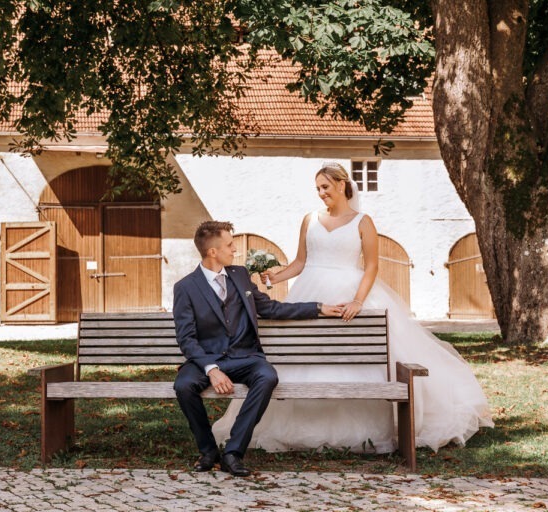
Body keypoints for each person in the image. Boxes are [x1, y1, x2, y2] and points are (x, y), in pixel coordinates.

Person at [213, 162, 494, 455]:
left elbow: (372, 266)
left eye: (326, 187)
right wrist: (276, 275)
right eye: (318, 188)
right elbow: (300, 262)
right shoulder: (310, 219)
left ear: (342, 184)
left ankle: (368, 429)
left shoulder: (363, 221)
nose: (321, 193)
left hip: (351, 291)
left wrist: (358, 300)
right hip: (310, 291)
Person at [173, 220, 342, 476]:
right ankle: (208, 451)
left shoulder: (240, 276)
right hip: (206, 359)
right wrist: (211, 369)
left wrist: (318, 308)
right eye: (230, 245)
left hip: (245, 356)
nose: (235, 250)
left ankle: (233, 452)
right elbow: (187, 339)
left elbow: (271, 308)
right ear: (212, 252)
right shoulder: (185, 288)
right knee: (183, 385)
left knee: (267, 376)